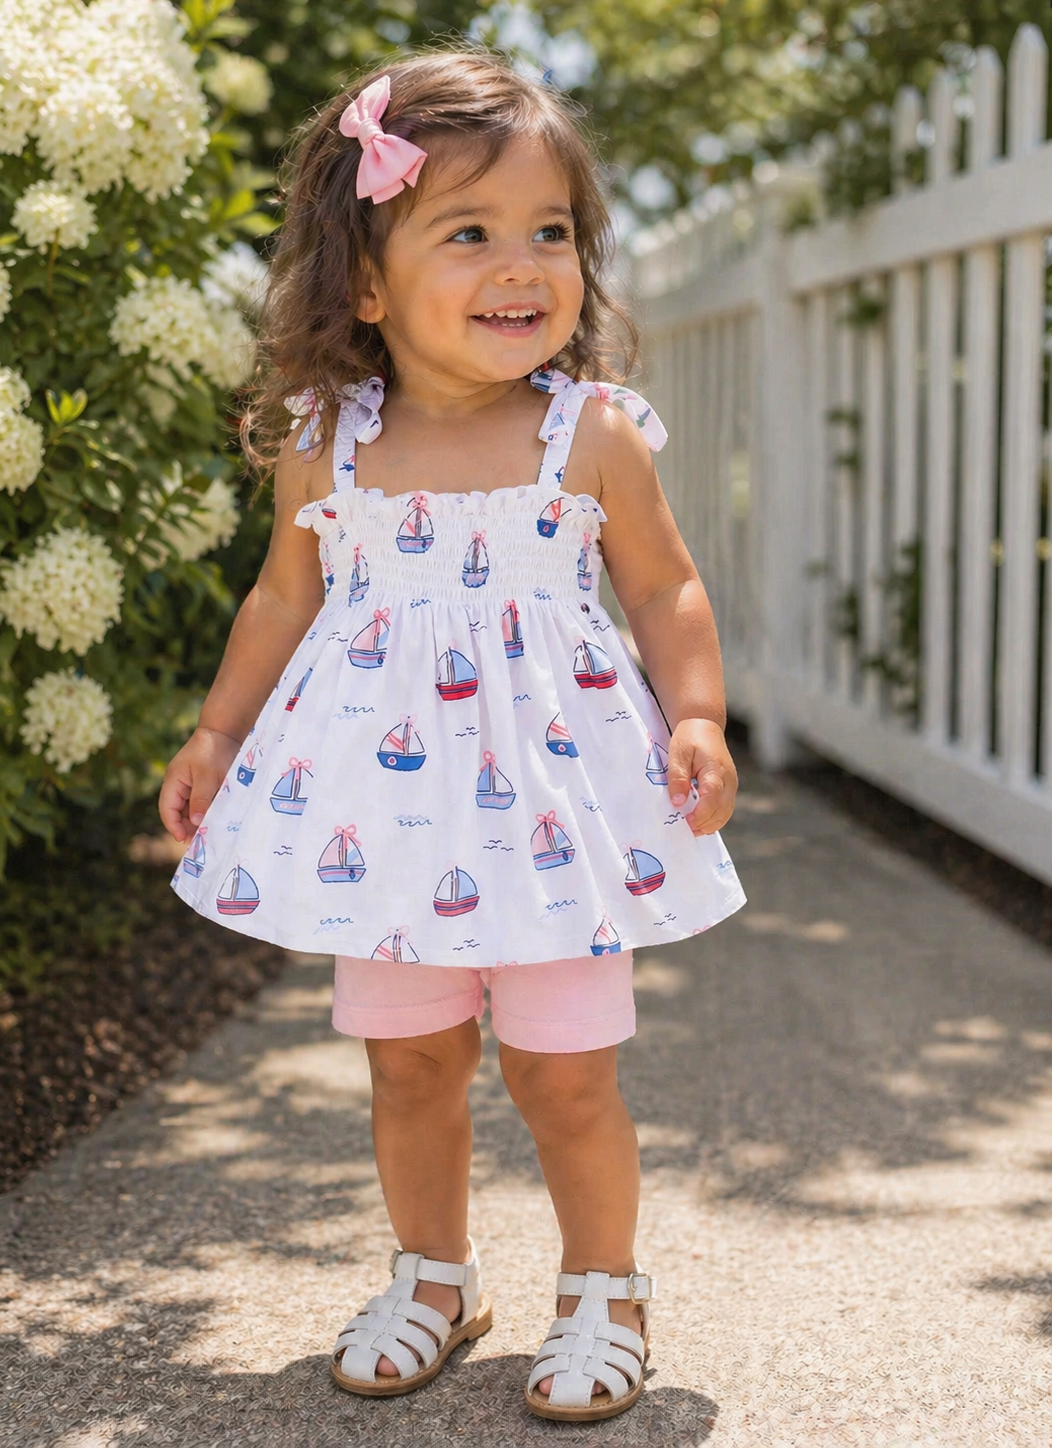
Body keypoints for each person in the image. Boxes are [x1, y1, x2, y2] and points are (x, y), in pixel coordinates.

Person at [160, 49, 744, 1423]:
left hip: (551, 829)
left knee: (564, 1077)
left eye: (550, 232)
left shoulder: (588, 434)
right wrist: (215, 733)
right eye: (469, 233)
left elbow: (661, 585)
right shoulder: (330, 441)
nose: (521, 265)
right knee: (410, 1065)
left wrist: (699, 710)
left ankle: (604, 1286)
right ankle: (433, 1274)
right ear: (364, 282)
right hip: (383, 820)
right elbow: (283, 596)